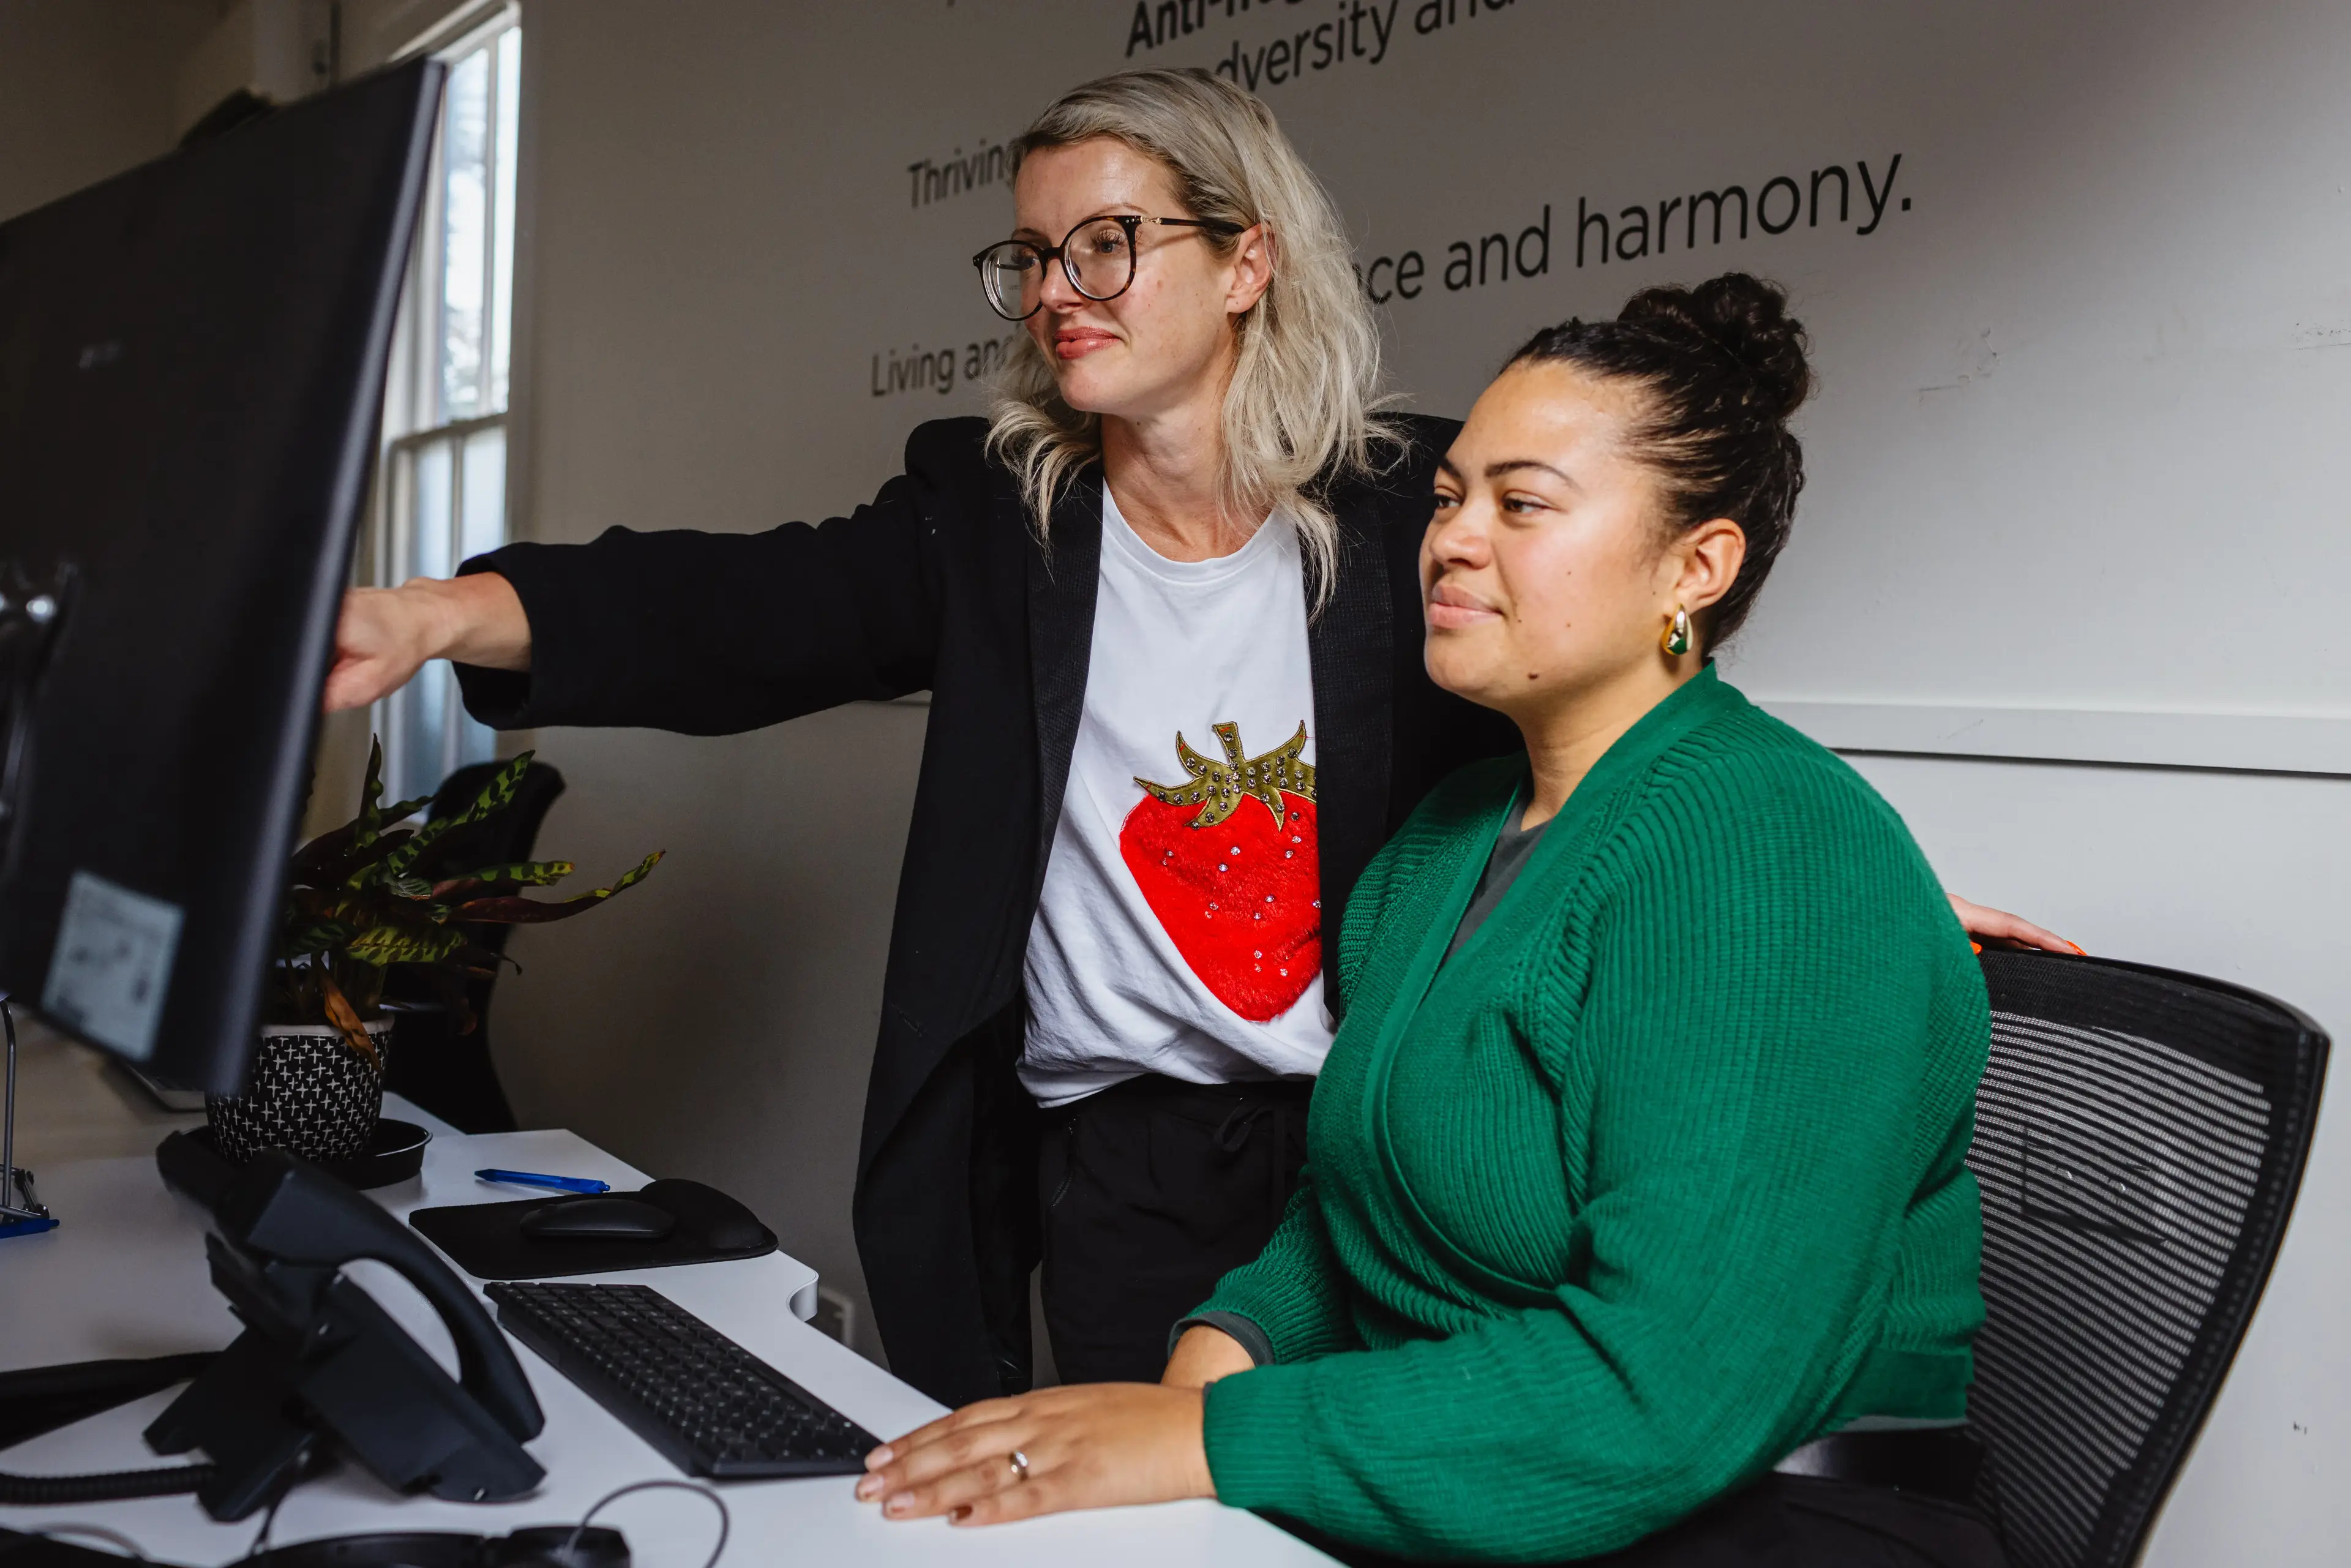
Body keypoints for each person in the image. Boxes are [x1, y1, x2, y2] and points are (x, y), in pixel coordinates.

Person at [326, 68, 2066, 1407]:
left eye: (1111, 242)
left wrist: (1857, 906)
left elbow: (1631, 700)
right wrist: (432, 616)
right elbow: (733, 606)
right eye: (1032, 253)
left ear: (1247, 263)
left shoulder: (1418, 506)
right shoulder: (989, 519)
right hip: (1123, 1156)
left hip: (1374, 1123)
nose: (1058, 288)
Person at [852, 276, 2010, 1568]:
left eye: (1523, 505)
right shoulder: (1451, 833)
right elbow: (1353, 1216)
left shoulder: (1770, 846)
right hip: (1482, 1470)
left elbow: (1667, 1398)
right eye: (1454, 496)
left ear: (1697, 565)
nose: (1453, 539)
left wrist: (1205, 1444)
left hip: (1761, 1521)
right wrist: (1198, 1378)